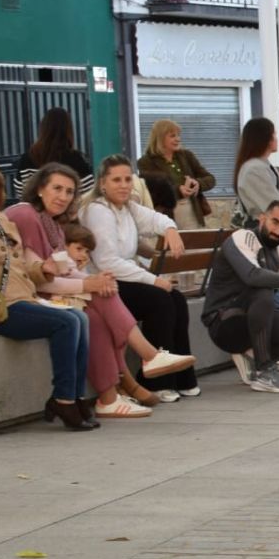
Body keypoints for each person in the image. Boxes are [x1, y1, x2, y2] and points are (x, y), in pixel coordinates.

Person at [9, 166, 194, 416]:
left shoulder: (52, 223)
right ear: (40, 189)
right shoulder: (27, 215)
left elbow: (65, 271)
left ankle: (113, 395)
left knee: (100, 307)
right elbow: (40, 280)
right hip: (24, 297)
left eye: (69, 192)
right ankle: (142, 364)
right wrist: (89, 284)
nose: (63, 197)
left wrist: (93, 280)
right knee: (109, 298)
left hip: (52, 292)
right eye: (57, 189)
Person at [0, 157, 96, 431]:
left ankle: (76, 396)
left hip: (20, 299)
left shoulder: (1, 220)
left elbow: (18, 268)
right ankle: (63, 400)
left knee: (79, 318)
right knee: (66, 322)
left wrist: (43, 269)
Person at [81, 155, 200, 399]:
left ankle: (182, 378)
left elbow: (156, 219)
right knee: (159, 299)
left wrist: (170, 229)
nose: (124, 185)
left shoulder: (128, 208)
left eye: (128, 179)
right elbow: (107, 262)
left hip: (124, 279)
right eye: (116, 180)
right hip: (104, 284)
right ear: (102, 183)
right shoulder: (98, 211)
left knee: (176, 299)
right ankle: (156, 381)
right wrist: (152, 279)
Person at [201, 200, 279, 395]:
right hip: (224, 323)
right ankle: (264, 371)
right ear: (262, 218)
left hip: (258, 320)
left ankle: (254, 354)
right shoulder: (242, 237)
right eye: (275, 222)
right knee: (262, 288)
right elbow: (253, 276)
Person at [234, 118, 279, 242]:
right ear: (266, 139)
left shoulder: (264, 166)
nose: (277, 139)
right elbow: (275, 209)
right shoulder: (254, 170)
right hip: (268, 239)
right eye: (274, 134)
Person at [138, 119, 216, 230]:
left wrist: (198, 183)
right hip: (165, 213)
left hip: (191, 211)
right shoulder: (146, 162)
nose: (178, 139)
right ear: (160, 138)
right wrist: (178, 190)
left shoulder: (187, 156)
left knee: (194, 240)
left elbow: (210, 179)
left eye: (178, 135)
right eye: (172, 136)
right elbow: (152, 191)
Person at [12, 108, 93, 199]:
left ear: (43, 128)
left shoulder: (28, 158)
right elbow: (88, 191)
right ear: (68, 130)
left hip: (34, 207)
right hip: (67, 207)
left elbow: (20, 190)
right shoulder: (75, 159)